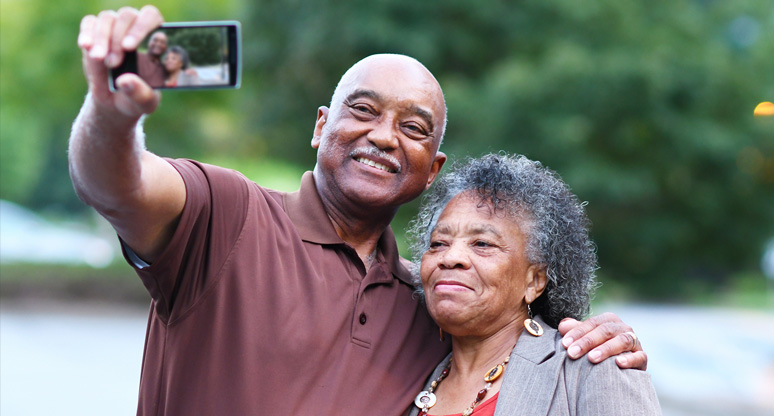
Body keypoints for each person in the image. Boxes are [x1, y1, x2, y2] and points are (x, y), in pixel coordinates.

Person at [72, 6, 648, 415]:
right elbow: (116, 185)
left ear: (432, 170)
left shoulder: (430, 310)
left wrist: (603, 339)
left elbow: (513, 343)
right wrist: (112, 115)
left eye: (413, 128)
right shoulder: (227, 214)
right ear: (322, 126)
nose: (383, 136)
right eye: (363, 110)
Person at [407, 153, 661, 416]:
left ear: (535, 281)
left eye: (482, 244)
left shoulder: (593, 368)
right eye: (438, 244)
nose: (450, 257)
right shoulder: (416, 373)